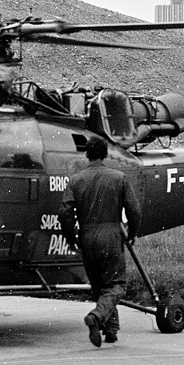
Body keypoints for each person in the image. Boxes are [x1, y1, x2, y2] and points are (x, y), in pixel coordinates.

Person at [59, 136, 142, 347]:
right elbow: (134, 210)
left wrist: (71, 238)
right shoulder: (119, 177)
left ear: (87, 154)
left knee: (99, 286)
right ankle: (96, 317)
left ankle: (111, 330)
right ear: (106, 154)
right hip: (111, 234)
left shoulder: (76, 180)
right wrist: (132, 232)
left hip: (86, 236)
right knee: (116, 286)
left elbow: (65, 212)